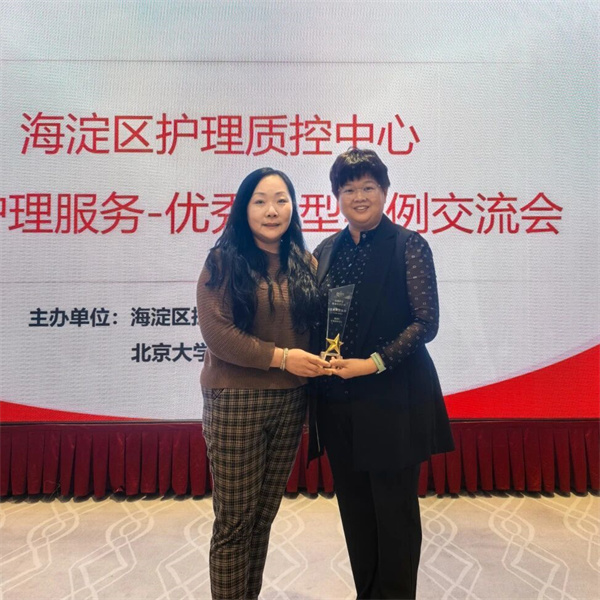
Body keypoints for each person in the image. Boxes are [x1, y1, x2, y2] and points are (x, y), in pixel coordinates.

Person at [310, 148, 454, 599]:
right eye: (349, 188)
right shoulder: (325, 251)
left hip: (393, 399)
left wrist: (373, 362)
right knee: (355, 512)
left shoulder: (408, 245)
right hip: (338, 402)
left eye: (368, 187)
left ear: (385, 191)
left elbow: (425, 322)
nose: (359, 196)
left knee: (394, 516)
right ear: (336, 196)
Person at [196, 167, 330, 600]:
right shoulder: (223, 261)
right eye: (260, 201)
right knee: (235, 523)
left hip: (290, 402)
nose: (272, 210)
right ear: (244, 208)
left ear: (293, 207)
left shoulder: (305, 263)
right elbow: (218, 334)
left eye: (281, 200)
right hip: (236, 401)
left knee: (262, 519)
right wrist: (283, 358)